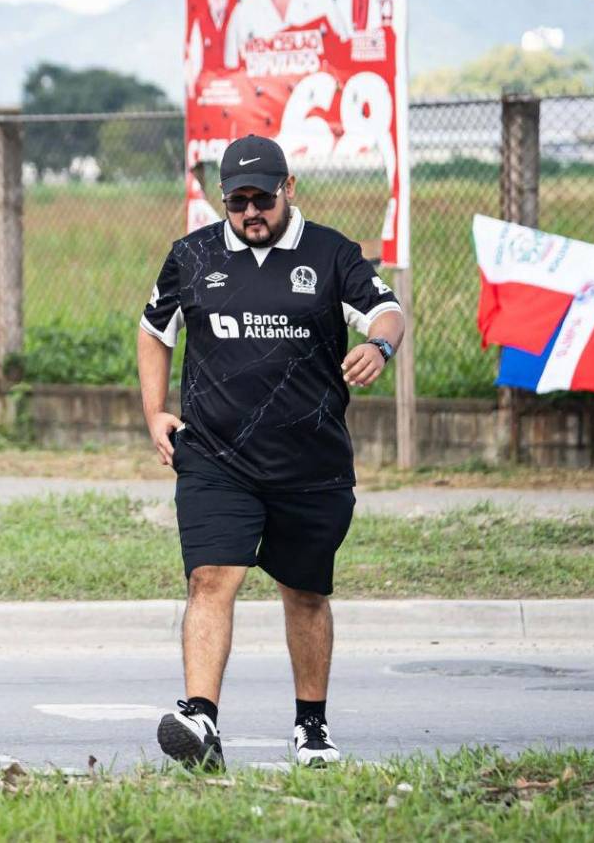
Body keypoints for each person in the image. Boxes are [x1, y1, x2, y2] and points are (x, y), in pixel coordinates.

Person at [137, 134, 405, 769]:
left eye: (262, 198)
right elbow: (153, 333)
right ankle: (200, 719)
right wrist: (153, 412)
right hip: (214, 457)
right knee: (210, 579)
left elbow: (388, 311)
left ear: (290, 189)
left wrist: (380, 347)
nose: (251, 212)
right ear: (221, 200)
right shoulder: (192, 257)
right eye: (237, 201)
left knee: (304, 593)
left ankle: (311, 727)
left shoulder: (332, 254)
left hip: (310, 462)